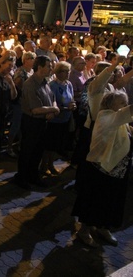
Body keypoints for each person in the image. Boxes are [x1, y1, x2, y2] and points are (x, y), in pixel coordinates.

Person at [72, 90, 133, 248]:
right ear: (110, 104)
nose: (124, 106)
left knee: (111, 201)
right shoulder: (105, 116)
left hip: (118, 170)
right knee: (95, 200)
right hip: (102, 169)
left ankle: (103, 227)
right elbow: (126, 113)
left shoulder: (120, 119)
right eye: (121, 103)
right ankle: (84, 231)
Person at [13, 55, 59, 189]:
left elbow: (52, 97)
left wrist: (52, 109)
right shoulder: (30, 84)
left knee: (38, 151)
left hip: (42, 122)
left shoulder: (45, 81)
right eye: (49, 66)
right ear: (39, 67)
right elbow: (35, 109)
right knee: (28, 151)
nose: (51, 69)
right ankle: (22, 177)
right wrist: (53, 109)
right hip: (31, 122)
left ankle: (33, 175)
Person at [42, 61, 76, 175]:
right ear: (57, 72)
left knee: (58, 144)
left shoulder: (68, 84)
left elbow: (71, 98)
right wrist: (66, 107)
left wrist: (73, 105)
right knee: (49, 144)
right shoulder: (53, 85)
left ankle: (51, 164)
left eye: (68, 71)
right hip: (55, 119)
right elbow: (52, 103)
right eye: (64, 71)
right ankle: (44, 165)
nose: (67, 73)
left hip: (65, 119)